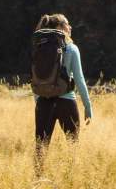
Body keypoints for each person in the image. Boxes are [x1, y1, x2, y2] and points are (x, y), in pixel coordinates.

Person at [33, 13, 92, 172]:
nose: (70, 27)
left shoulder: (39, 47)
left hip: (44, 102)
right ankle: (71, 177)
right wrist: (88, 106)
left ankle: (38, 179)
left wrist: (39, 101)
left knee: (41, 147)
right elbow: (79, 79)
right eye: (67, 24)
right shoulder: (72, 48)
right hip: (67, 101)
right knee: (73, 145)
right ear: (59, 28)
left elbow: (36, 79)